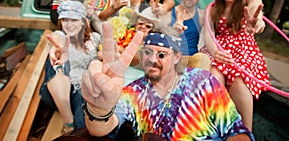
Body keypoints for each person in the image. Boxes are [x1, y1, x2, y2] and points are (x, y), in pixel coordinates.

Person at [80, 22, 254, 141]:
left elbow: (236, 131)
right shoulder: (134, 92)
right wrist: (98, 109)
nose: (152, 60)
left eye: (161, 54)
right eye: (147, 52)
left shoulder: (204, 82)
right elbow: (100, 129)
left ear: (177, 57)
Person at [203, 0, 270, 131]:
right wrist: (216, 53)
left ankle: (246, 132)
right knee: (214, 77)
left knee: (239, 79)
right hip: (219, 50)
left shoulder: (250, 2)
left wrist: (258, 22)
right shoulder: (212, 9)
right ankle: (216, 125)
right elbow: (208, 34)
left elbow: (257, 11)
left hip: (244, 50)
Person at [40, 0, 101, 133]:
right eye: (65, 20)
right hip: (58, 91)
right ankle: (68, 122)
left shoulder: (95, 38)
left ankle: (76, 127)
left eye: (74, 20)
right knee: (56, 66)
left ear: (83, 21)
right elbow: (56, 40)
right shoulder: (61, 36)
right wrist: (56, 51)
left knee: (84, 121)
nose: (69, 24)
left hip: (83, 91)